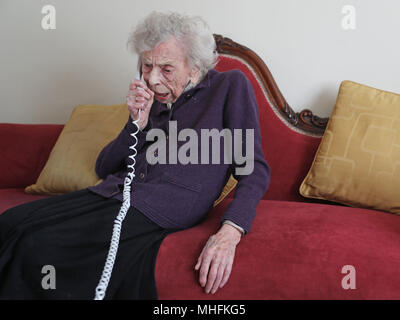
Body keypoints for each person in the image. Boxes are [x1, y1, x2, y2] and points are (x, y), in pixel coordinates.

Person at [0, 11, 270, 299]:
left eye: (166, 69)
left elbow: (253, 168)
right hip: (112, 194)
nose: (152, 79)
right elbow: (105, 167)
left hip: (163, 206)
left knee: (38, 245)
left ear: (194, 68)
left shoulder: (229, 86)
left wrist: (231, 232)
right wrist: (136, 124)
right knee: (10, 222)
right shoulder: (156, 101)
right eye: (146, 66)